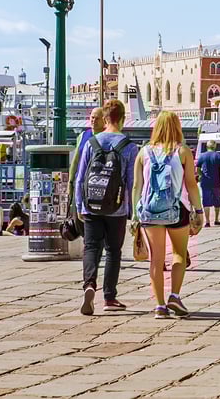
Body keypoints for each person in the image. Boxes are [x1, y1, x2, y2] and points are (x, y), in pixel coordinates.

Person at [131, 111, 205, 319]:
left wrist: (135, 215)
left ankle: (159, 306)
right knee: (179, 254)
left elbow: (137, 185)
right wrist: (198, 211)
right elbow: (190, 184)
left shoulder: (144, 152)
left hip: (149, 210)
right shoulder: (182, 152)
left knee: (156, 258)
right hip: (177, 208)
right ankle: (174, 295)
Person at [74, 99, 139, 315]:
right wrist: (133, 211)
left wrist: (79, 205)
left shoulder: (92, 143)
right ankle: (109, 297)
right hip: (116, 208)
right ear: (122, 119)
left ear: (104, 119)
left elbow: (80, 177)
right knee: (113, 251)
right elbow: (132, 182)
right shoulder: (129, 147)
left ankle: (89, 285)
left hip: (91, 205)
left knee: (91, 247)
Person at [195, 140, 220, 226]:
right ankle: (216, 219)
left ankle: (207, 221)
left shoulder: (202, 156)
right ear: (215, 146)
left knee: (206, 201)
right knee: (217, 200)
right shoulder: (219, 156)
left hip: (205, 182)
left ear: (207, 146)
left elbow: (197, 169)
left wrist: (202, 175)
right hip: (216, 182)